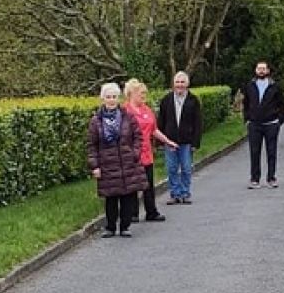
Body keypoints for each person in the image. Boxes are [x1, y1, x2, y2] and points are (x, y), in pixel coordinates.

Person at [87, 83, 148, 238]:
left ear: (118, 98)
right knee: (111, 198)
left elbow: (138, 137)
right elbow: (92, 145)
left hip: (127, 162)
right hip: (107, 164)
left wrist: (135, 153)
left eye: (114, 97)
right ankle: (110, 227)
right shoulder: (96, 121)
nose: (111, 100)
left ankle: (125, 226)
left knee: (127, 196)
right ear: (103, 99)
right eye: (108, 97)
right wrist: (95, 165)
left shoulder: (128, 117)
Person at [123, 78, 177, 221]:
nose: (143, 96)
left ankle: (151, 211)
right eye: (141, 93)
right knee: (133, 184)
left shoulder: (147, 109)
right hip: (131, 152)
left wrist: (167, 141)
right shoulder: (125, 111)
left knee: (148, 183)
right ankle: (132, 213)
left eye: (144, 93)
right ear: (131, 94)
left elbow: (154, 130)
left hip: (146, 152)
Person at [156, 71, 203, 204]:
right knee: (171, 168)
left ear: (187, 84)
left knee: (186, 168)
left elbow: (198, 123)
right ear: (173, 84)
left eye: (182, 82)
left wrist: (195, 142)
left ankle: (185, 193)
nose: (180, 85)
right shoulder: (166, 100)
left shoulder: (193, 101)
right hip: (170, 140)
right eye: (177, 82)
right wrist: (160, 141)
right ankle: (175, 194)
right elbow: (161, 121)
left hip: (186, 141)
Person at [242, 60, 284, 189]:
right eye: (259, 68)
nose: (261, 71)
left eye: (263, 69)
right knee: (254, 152)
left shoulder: (275, 86)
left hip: (271, 124)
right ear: (256, 70)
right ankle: (255, 179)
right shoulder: (250, 86)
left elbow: (282, 104)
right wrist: (247, 118)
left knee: (271, 152)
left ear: (267, 71)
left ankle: (271, 178)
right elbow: (245, 103)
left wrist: (280, 119)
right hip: (254, 124)